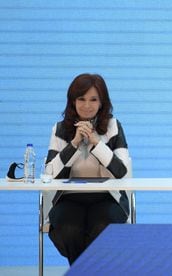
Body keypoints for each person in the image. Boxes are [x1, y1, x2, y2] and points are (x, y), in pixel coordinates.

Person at [44, 73, 131, 264]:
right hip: (69, 198)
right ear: (73, 101)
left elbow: (123, 172)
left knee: (102, 228)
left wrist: (96, 143)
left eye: (93, 99)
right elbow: (49, 174)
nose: (87, 105)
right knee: (69, 229)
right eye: (81, 99)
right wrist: (74, 143)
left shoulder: (113, 127)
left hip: (108, 197)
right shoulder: (60, 129)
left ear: (102, 103)